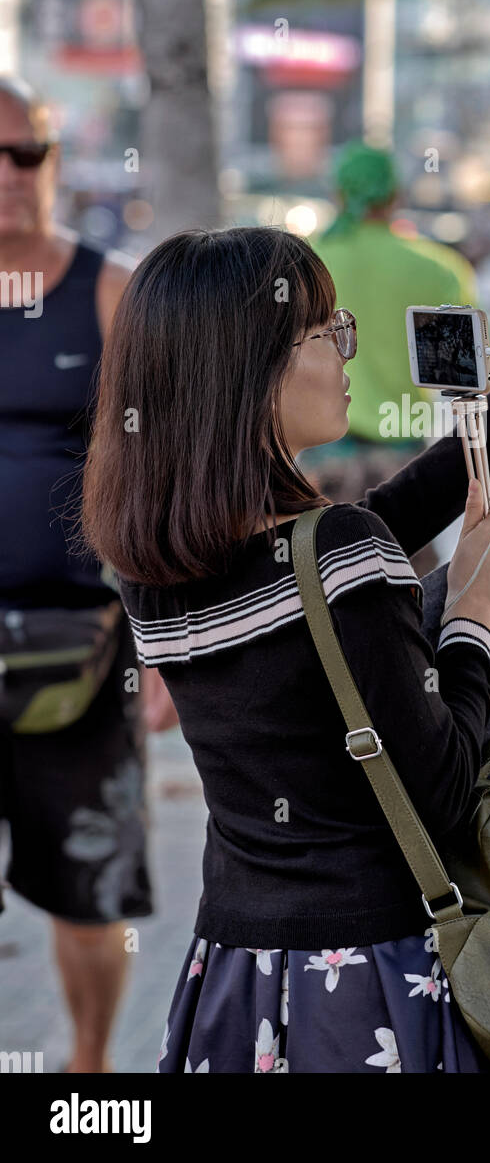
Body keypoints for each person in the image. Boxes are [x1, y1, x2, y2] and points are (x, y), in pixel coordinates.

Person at [80, 225, 490, 1073]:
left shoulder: (151, 562)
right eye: (326, 332)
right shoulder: (340, 551)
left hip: (235, 978)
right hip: (373, 982)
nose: (347, 353)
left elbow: (373, 524)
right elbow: (445, 795)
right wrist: (473, 613)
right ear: (253, 365)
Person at [0, 77, 170, 1073]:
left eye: (30, 152)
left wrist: (167, 647)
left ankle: (89, 1063)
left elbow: (156, 481)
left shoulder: (107, 291)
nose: (14, 176)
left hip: (83, 646)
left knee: (90, 887)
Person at [303, 143, 484, 576]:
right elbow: (473, 379)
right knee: (408, 587)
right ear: (395, 197)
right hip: (403, 462)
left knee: (318, 586)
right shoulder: (438, 268)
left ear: (338, 195)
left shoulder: (305, 262)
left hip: (320, 463)